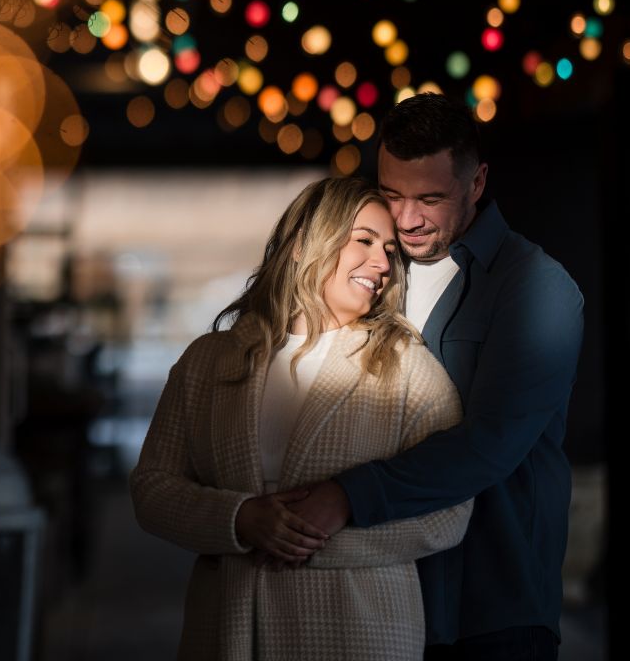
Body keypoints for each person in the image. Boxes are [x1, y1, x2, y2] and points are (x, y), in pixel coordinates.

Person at [283, 94, 584, 659]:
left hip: (492, 603)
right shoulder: (371, 267)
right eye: (391, 194)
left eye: (431, 198)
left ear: (477, 183)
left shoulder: (536, 289)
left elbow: (490, 446)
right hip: (378, 591)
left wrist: (347, 496)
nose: (407, 220)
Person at [131, 176, 472, 660]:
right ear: (302, 246)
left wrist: (311, 540)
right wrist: (239, 518)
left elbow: (452, 511)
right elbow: (151, 488)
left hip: (361, 633)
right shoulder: (207, 362)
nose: (382, 264)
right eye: (364, 242)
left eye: (390, 250)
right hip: (226, 631)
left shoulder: (407, 369)